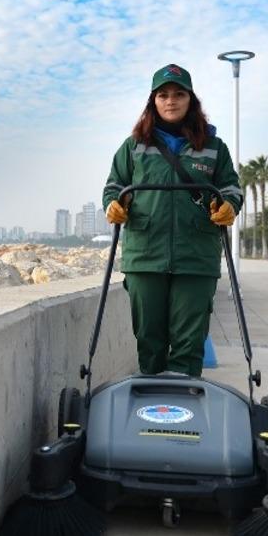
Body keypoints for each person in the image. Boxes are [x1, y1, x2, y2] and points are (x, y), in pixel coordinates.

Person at [102, 64, 243, 377]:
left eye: (179, 94)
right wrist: (113, 204)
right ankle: (150, 405)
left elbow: (231, 188)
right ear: (153, 101)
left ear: (191, 100)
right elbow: (114, 186)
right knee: (149, 339)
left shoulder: (214, 147)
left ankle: (185, 405)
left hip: (196, 257)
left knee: (189, 342)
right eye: (163, 95)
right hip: (144, 257)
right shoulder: (133, 146)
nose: (171, 101)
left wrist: (230, 206)